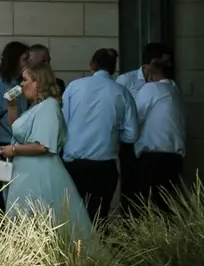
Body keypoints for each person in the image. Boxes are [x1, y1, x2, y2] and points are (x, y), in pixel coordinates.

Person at [0, 62, 88, 229]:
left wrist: (13, 150)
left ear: (37, 82)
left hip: (38, 175)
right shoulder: (36, 107)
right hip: (27, 173)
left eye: (25, 80)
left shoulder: (48, 106)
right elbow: (17, 130)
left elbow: (42, 146)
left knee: (38, 220)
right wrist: (11, 106)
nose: (21, 84)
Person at [61, 48, 137, 221]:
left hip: (75, 163)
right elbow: (132, 135)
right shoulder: (122, 92)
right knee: (99, 217)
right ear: (114, 69)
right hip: (104, 165)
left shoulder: (74, 86)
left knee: (74, 218)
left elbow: (62, 122)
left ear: (92, 65)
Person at [129, 55, 186, 208]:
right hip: (174, 156)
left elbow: (134, 117)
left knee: (145, 206)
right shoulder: (174, 90)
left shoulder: (151, 88)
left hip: (153, 157)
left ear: (151, 74)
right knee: (166, 205)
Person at [0, 41, 29, 147]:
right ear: (14, 60)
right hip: (3, 143)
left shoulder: (21, 84)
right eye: (25, 59)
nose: (28, 63)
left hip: (20, 142)